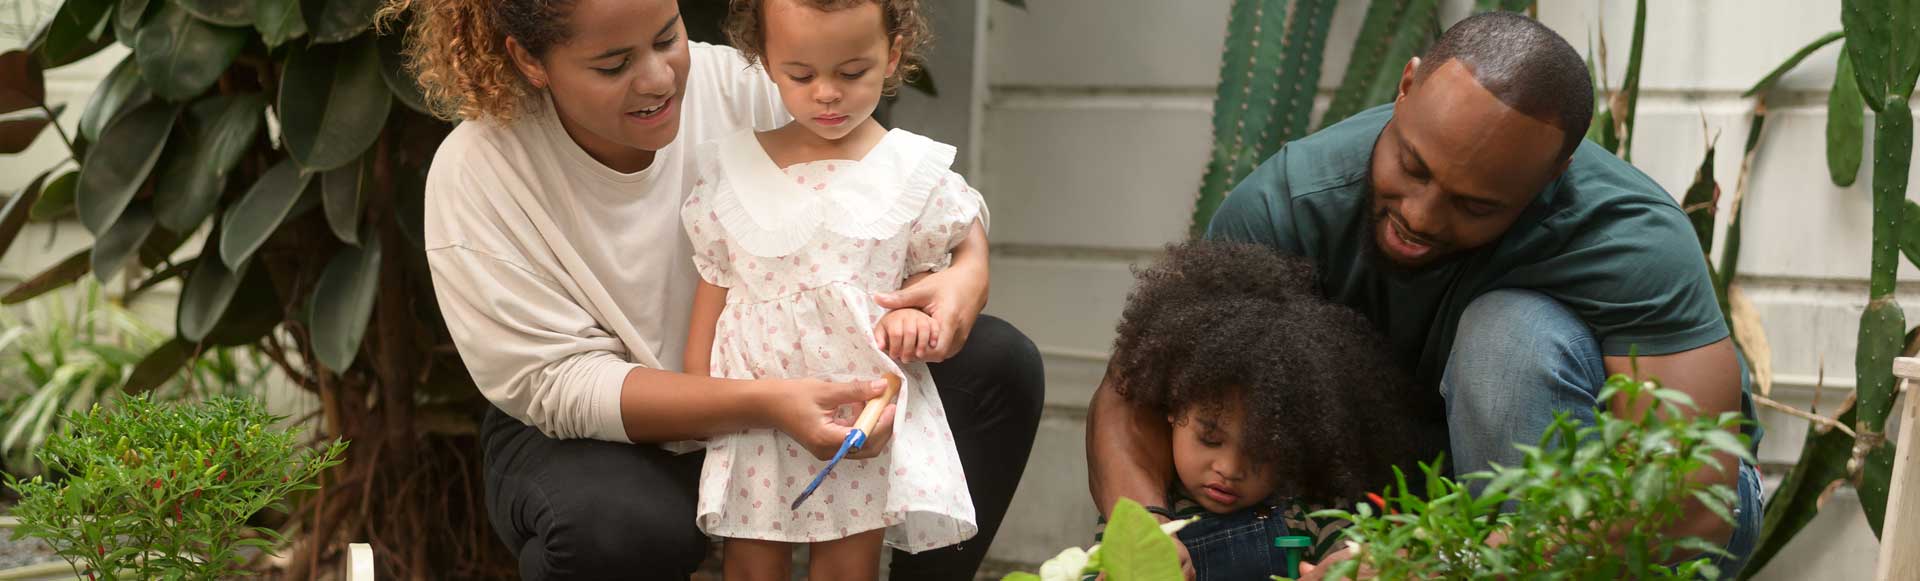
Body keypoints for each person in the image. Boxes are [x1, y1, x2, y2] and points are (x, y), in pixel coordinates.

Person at [1087, 11, 1762, 579]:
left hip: (1648, 527)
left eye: (1473, 203)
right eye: (1411, 165)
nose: (1422, 215)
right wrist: (1143, 528)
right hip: (1420, 516)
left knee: (1509, 334)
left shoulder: (1631, 240)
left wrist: (1443, 559)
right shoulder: (1291, 203)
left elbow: (1695, 492)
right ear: (1407, 86)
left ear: (1553, 174)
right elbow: (1136, 388)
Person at [384, 0, 1044, 576]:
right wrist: (760, 403)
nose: (658, 77)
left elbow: (899, 178)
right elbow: (558, 384)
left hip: (801, 391)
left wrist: (966, 272)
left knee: (996, 366)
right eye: (613, 65)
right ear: (530, 61)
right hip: (602, 436)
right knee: (613, 527)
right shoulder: (480, 173)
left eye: (667, 37)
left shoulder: (747, 86)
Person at [679, 0, 984, 578]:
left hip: (857, 409)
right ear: (765, 61)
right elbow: (714, 287)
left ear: (892, 56)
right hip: (756, 410)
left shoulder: (911, 168)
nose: (826, 93)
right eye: (801, 74)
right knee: (750, 563)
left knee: (848, 564)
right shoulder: (734, 167)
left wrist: (914, 315)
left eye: (851, 73)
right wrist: (701, 400)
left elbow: (929, 275)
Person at [1103, 240, 1441, 580]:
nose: (1230, 469)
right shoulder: (1143, 509)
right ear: (1173, 408)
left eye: (1261, 452)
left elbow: (1365, 560)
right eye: (1210, 438)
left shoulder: (1313, 515)